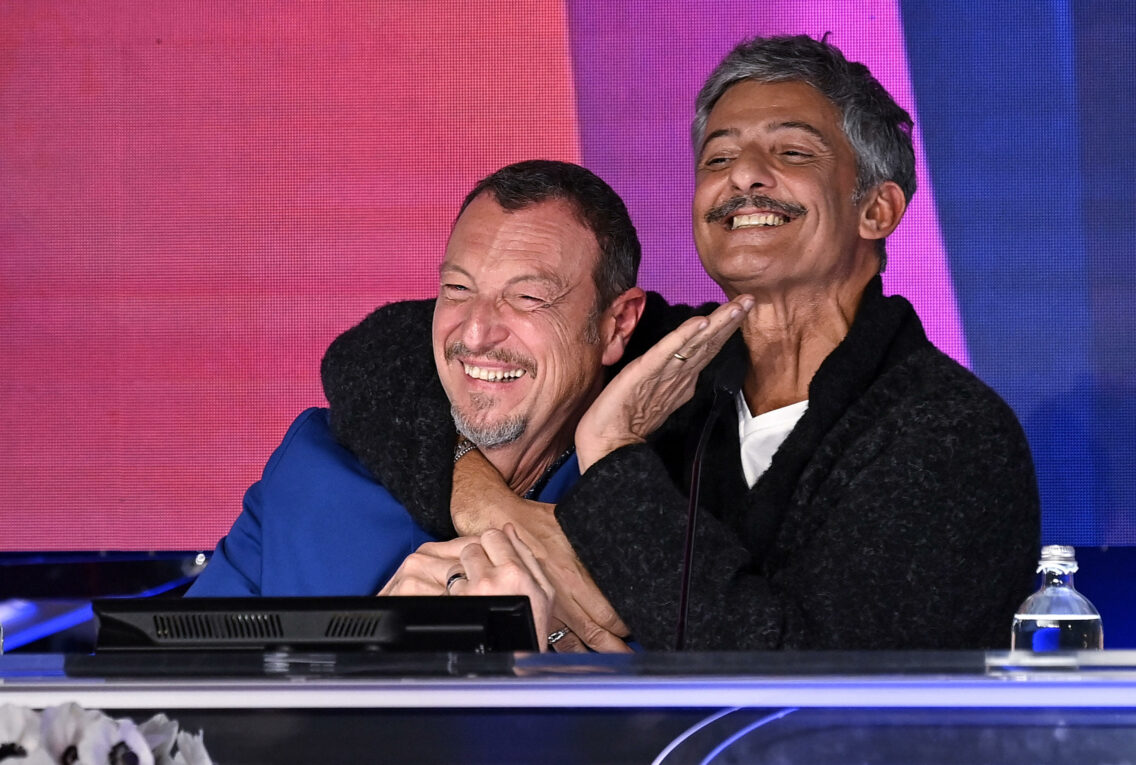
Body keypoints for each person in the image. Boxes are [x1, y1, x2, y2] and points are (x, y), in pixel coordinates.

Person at [443, 35, 1041, 651]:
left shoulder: (950, 432)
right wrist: (484, 498)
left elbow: (796, 672)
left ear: (877, 209)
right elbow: (403, 351)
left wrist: (613, 454)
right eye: (718, 158)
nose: (744, 175)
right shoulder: (674, 355)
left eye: (792, 151)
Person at [187, 160, 750, 651]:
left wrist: (537, 682)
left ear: (617, 324)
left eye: (527, 297)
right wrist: (363, 652)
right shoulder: (314, 466)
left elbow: (725, 714)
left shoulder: (671, 498)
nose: (476, 333)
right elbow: (176, 696)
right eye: (457, 290)